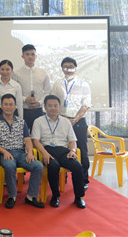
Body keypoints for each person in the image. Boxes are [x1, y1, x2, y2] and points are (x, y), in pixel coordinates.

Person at [0, 94, 44, 209]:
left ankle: (31, 196)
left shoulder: (21, 122)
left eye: (11, 104)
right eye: (6, 104)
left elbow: (27, 139)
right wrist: (4, 152)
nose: (8, 107)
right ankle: (12, 196)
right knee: (10, 166)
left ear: (15, 106)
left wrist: (30, 153)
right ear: (1, 106)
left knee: (38, 166)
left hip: (21, 153)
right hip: (4, 154)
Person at [31, 95, 86, 209]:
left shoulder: (66, 122)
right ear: (45, 107)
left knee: (78, 167)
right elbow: (35, 140)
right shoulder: (38, 121)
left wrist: (73, 150)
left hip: (63, 151)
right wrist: (44, 153)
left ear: (59, 107)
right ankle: (55, 196)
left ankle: (79, 197)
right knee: (53, 166)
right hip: (47, 150)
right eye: (50, 105)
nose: (53, 108)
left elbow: (72, 140)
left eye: (55, 105)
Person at [51, 57, 91, 190]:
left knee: (82, 149)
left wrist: (75, 119)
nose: (68, 69)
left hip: (78, 121)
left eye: (71, 67)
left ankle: (83, 179)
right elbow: (53, 103)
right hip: (61, 120)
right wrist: (63, 118)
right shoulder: (57, 84)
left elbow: (86, 105)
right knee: (61, 148)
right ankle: (62, 176)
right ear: (62, 69)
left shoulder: (83, 84)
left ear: (76, 68)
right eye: (65, 67)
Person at [13, 44, 51, 130]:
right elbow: (13, 92)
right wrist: (24, 99)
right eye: (27, 54)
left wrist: (40, 102)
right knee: (22, 135)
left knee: (39, 135)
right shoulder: (16, 72)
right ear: (22, 56)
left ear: (36, 56)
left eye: (32, 54)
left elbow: (48, 92)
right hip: (22, 110)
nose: (30, 57)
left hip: (38, 110)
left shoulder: (43, 72)